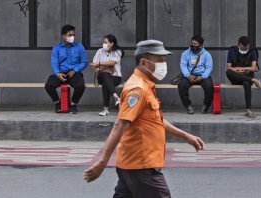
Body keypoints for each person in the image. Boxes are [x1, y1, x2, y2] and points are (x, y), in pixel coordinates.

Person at [83, 40, 205, 198]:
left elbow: (156, 120)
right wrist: (103, 160)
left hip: (133, 163)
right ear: (143, 62)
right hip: (142, 165)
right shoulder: (138, 89)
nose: (164, 63)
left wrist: (185, 136)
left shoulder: (146, 85)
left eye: (164, 59)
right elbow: (120, 124)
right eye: (160, 60)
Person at [45, 24, 88, 114]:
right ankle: (57, 103)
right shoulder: (57, 48)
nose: (72, 37)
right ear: (63, 36)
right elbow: (54, 62)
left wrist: (75, 70)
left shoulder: (79, 47)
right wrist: (57, 73)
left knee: (80, 86)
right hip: (60, 73)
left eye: (73, 35)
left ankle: (73, 104)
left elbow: (84, 62)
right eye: (69, 35)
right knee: (49, 85)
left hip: (74, 73)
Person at [226, 36, 261, 118]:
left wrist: (244, 69)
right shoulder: (232, 50)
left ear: (249, 45)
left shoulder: (253, 51)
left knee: (246, 83)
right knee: (228, 72)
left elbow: (253, 68)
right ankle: (253, 80)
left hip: (247, 74)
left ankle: (248, 110)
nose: (245, 49)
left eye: (247, 47)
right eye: (243, 47)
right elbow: (229, 67)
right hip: (235, 77)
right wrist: (238, 70)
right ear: (239, 45)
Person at [178, 35, 214, 114]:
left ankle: (206, 106)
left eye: (195, 44)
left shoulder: (206, 54)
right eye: (192, 43)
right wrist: (188, 75)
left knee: (209, 86)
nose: (193, 45)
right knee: (182, 85)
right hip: (190, 75)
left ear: (201, 45)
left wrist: (203, 76)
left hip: (203, 76)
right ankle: (187, 106)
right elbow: (183, 65)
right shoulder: (185, 53)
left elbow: (209, 67)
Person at [90, 34, 124, 116]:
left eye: (106, 42)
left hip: (116, 77)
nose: (104, 44)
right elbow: (93, 66)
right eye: (103, 42)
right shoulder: (100, 51)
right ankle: (116, 96)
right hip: (101, 76)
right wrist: (104, 68)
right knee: (105, 74)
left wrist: (99, 64)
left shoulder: (117, 51)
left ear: (112, 43)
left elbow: (112, 62)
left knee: (106, 84)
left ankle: (106, 109)